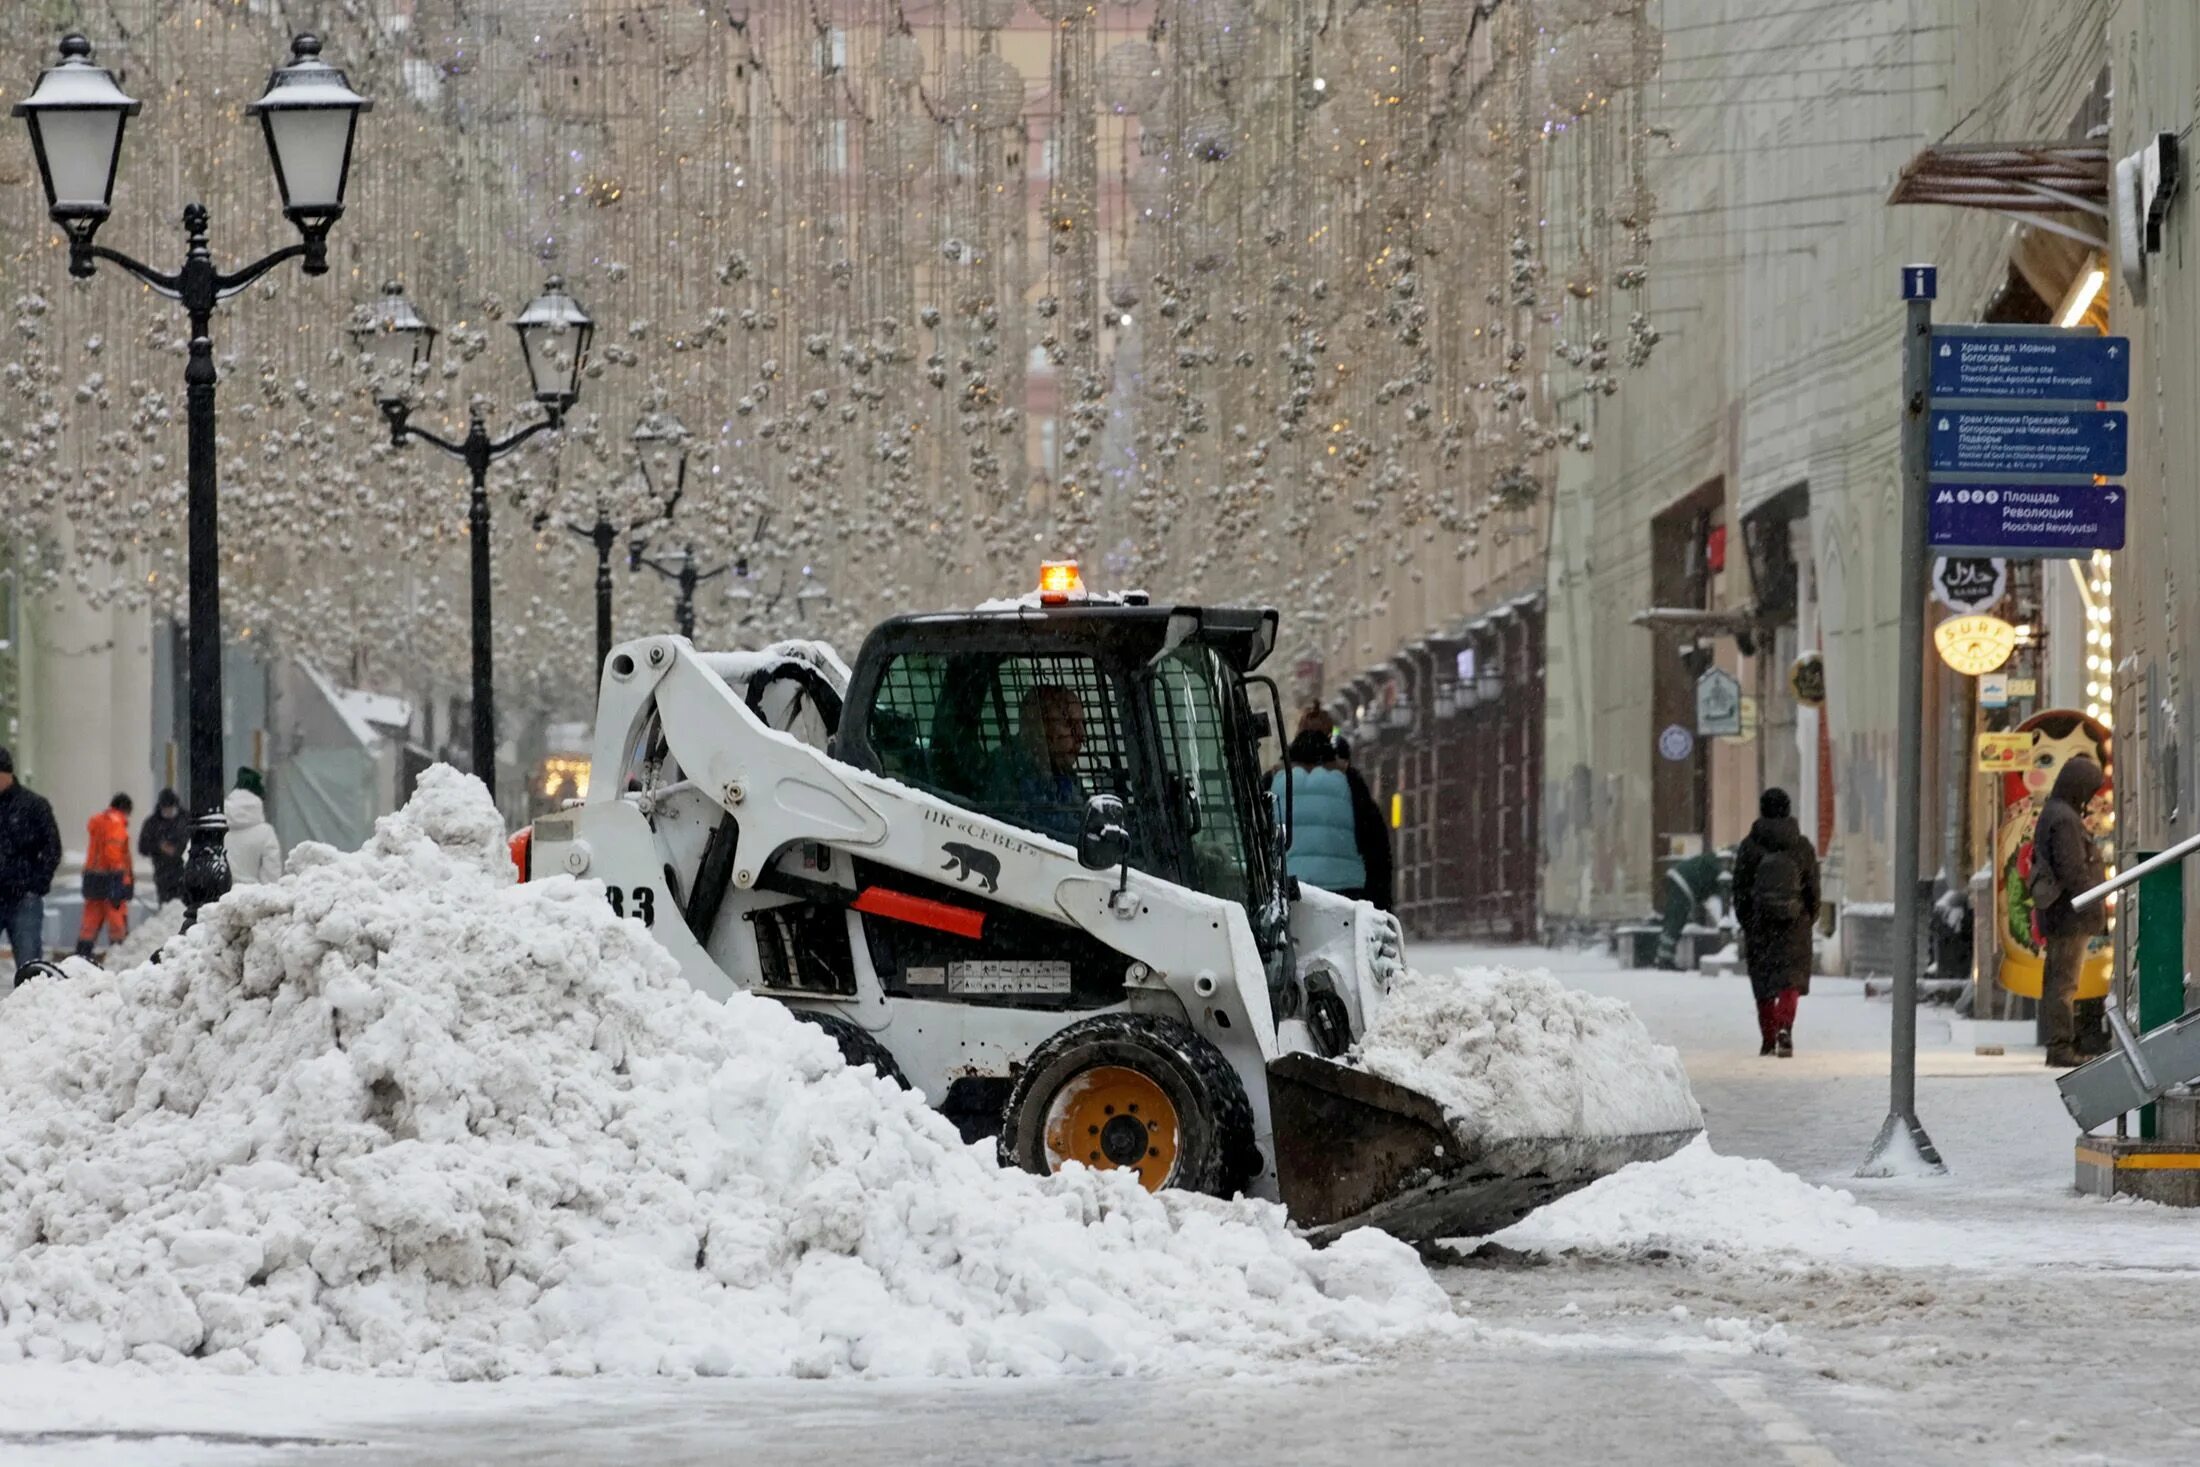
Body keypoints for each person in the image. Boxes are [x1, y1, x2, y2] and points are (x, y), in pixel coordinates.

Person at [2030, 755, 2108, 1069]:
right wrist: (2093, 899)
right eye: (2089, 789)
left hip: (2062, 913)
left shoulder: (2057, 813)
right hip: (2068, 915)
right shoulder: (2064, 819)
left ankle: (2060, 1043)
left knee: (2059, 981)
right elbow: (2073, 869)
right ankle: (2060, 1046)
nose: (2091, 797)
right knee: (2063, 983)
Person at [1732, 788, 1820, 1058]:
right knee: (1789, 981)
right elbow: (1813, 889)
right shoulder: (1802, 846)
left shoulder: (1749, 847)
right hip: (1794, 924)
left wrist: (1748, 920)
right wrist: (1807, 917)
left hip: (1760, 925)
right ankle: (1785, 1026)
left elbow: (1740, 889)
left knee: (1764, 983)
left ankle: (1769, 1038)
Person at [1271, 723, 1368, 899]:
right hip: (1344, 887)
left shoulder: (1273, 780)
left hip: (1288, 885)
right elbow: (1373, 841)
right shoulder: (1350, 781)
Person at [989, 684, 1088, 840]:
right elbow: (1049, 833)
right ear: (1037, 726)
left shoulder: (1062, 775)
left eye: (1083, 725)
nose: (1081, 736)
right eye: (1069, 723)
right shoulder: (1007, 775)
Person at [0, 747, 61, 974]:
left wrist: (37, 884)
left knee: (29, 963)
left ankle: (29, 1003)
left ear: (6, 774)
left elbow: (52, 847)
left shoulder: (33, 806)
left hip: (23, 898)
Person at [1327, 725, 1395, 912]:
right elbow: (1378, 856)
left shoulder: (1289, 787)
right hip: (1353, 894)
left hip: (1305, 892)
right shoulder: (1359, 797)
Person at [77, 793, 135, 959]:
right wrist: (120, 878)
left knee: (90, 920)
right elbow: (113, 852)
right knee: (116, 920)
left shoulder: (99, 821)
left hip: (93, 879)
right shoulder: (116, 823)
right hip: (111, 880)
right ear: (125, 810)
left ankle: (82, 955)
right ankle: (119, 956)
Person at [223, 783, 284, 885]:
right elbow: (272, 872)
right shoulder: (265, 832)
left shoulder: (215, 829)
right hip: (252, 895)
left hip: (220, 894)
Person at [137, 787, 188, 905]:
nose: (169, 812)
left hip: (184, 871)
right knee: (166, 905)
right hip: (163, 873)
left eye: (171, 809)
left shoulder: (185, 819)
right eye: (166, 809)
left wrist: (178, 849)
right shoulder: (152, 823)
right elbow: (143, 847)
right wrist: (159, 847)